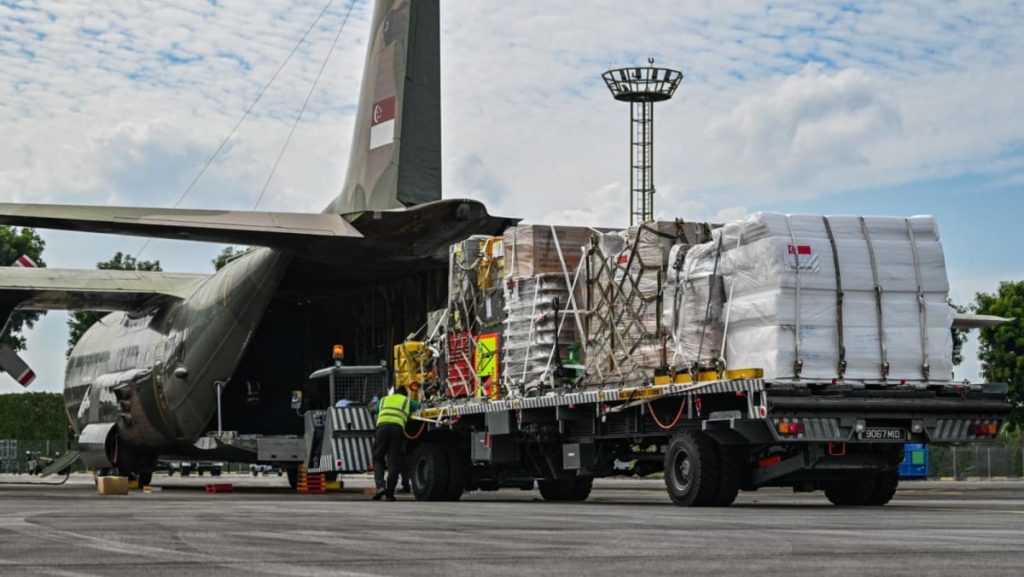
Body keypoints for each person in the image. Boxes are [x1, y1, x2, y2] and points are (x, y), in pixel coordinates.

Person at [371, 386, 419, 501]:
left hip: (382, 429)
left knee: (378, 458)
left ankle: (380, 487)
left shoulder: (384, 399)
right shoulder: (407, 401)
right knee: (394, 461)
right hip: (397, 430)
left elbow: (374, 409)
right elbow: (421, 407)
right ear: (405, 394)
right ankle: (390, 493)